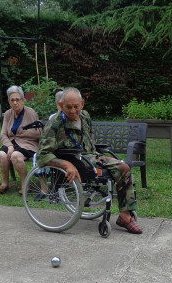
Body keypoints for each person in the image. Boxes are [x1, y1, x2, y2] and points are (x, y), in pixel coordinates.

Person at [37, 87, 142, 234]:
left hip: (91, 157)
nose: (73, 111)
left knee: (124, 168)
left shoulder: (85, 116)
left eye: (76, 106)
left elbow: (90, 141)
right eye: (68, 107)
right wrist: (66, 164)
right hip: (74, 160)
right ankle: (125, 217)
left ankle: (125, 213)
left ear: (82, 104)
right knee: (122, 168)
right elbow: (42, 154)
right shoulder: (54, 124)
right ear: (60, 105)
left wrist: (100, 156)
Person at [0, 85, 40, 194]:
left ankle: (25, 186)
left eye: (17, 99)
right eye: (12, 100)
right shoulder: (7, 114)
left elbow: (38, 133)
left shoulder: (31, 112)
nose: (15, 102)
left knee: (15, 156)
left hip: (28, 144)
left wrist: (24, 133)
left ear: (23, 100)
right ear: (9, 101)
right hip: (12, 143)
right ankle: (4, 184)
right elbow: (3, 134)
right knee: (2, 155)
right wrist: (10, 146)